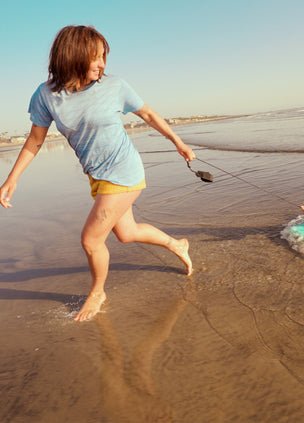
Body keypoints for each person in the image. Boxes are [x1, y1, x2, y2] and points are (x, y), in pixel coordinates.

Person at [0, 25, 195, 322]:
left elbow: (148, 114)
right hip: (98, 176)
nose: (102, 64)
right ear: (73, 56)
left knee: (91, 240)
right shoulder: (46, 95)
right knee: (126, 234)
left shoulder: (115, 86)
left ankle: (98, 293)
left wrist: (178, 142)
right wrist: (12, 178)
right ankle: (176, 244)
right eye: (95, 57)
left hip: (124, 172)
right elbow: (36, 140)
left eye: (104, 56)